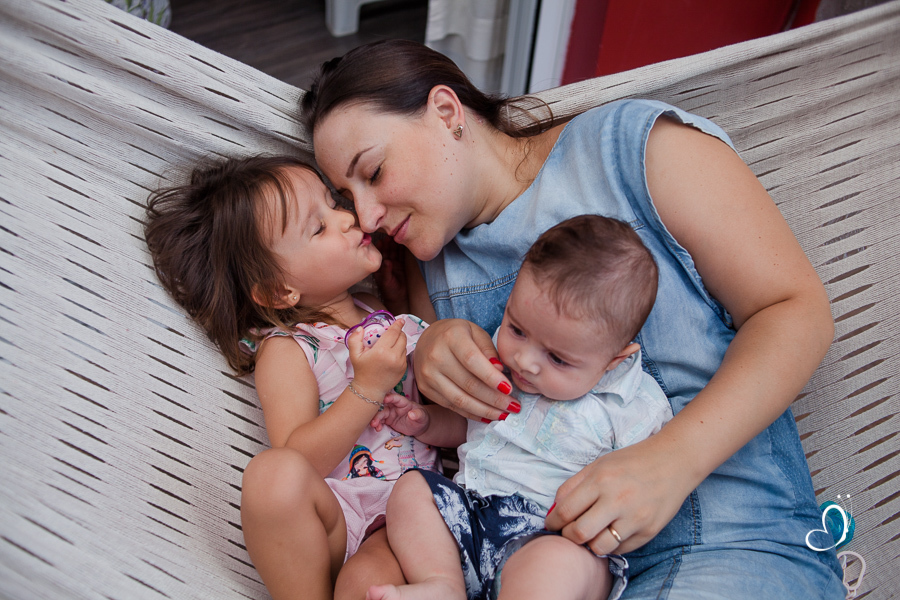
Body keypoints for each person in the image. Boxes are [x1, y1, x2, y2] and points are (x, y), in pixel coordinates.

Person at [300, 39, 847, 598]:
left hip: (733, 543)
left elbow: (796, 311)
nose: (365, 216)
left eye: (374, 170)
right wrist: (434, 349)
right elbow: (470, 451)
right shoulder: (427, 263)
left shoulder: (635, 149)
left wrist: (672, 460)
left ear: (446, 112)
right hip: (526, 566)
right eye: (346, 196)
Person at [142, 155, 466, 600]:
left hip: (415, 514)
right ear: (280, 291)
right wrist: (367, 389)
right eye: (319, 227)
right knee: (272, 476)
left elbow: (433, 345)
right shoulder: (288, 349)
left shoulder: (377, 307)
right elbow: (299, 458)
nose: (347, 217)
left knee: (365, 584)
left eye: (334, 203)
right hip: (340, 518)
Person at [366, 215, 673, 600]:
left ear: (613, 360)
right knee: (412, 490)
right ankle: (442, 585)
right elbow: (474, 426)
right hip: (471, 517)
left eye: (558, 358)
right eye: (516, 329)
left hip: (550, 533)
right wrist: (425, 422)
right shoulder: (506, 365)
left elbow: (647, 484)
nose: (525, 361)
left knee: (556, 567)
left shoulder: (634, 407)